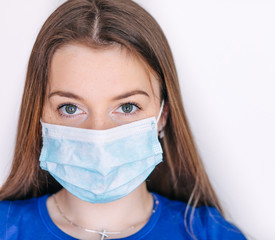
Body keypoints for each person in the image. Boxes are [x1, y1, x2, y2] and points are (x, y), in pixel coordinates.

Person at [0, 0, 247, 239]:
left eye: (127, 107)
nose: (99, 133)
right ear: (39, 116)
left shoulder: (210, 235)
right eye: (70, 108)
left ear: (163, 116)